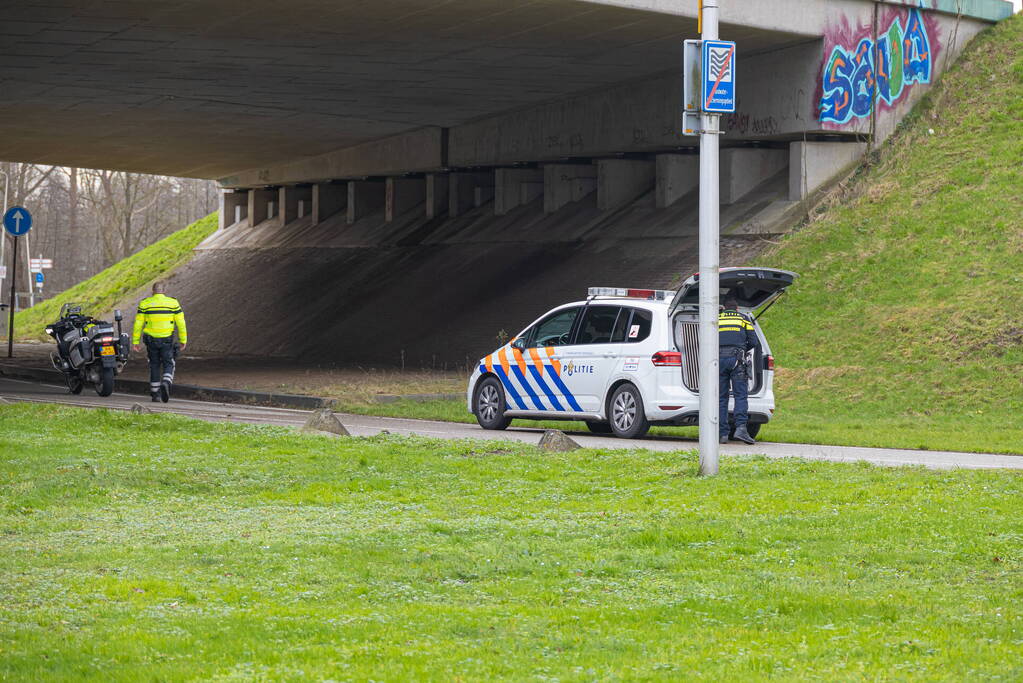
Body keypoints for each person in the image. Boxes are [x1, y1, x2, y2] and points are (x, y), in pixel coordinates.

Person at [132, 282, 187, 402]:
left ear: (152, 291)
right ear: (164, 291)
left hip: (151, 340)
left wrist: (135, 341)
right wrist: (183, 339)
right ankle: (166, 382)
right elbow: (181, 323)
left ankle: (155, 394)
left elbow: (138, 324)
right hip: (166, 339)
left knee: (154, 364)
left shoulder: (145, 303)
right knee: (169, 363)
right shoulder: (173, 303)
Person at [718, 294, 760, 444]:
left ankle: (722, 434)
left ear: (723, 307)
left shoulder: (716, 318)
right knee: (740, 396)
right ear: (737, 308)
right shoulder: (743, 318)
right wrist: (741, 349)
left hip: (719, 361)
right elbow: (754, 341)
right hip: (737, 360)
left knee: (721, 398)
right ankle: (741, 429)